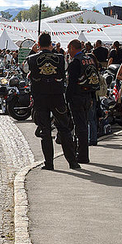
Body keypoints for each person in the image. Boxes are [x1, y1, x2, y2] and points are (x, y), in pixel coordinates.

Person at [25, 33, 80, 171]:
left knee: (45, 131)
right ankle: (73, 162)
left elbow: (24, 69)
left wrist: (34, 51)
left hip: (41, 98)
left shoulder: (32, 58)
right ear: (51, 44)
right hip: (57, 96)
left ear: (38, 43)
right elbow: (65, 69)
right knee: (64, 129)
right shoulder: (60, 58)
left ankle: (49, 163)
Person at [66, 39, 98, 163]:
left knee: (80, 127)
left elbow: (72, 83)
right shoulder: (89, 59)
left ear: (73, 48)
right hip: (88, 95)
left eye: (69, 49)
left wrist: (67, 98)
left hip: (77, 97)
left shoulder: (75, 62)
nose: (68, 52)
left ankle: (82, 155)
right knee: (84, 124)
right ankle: (82, 153)